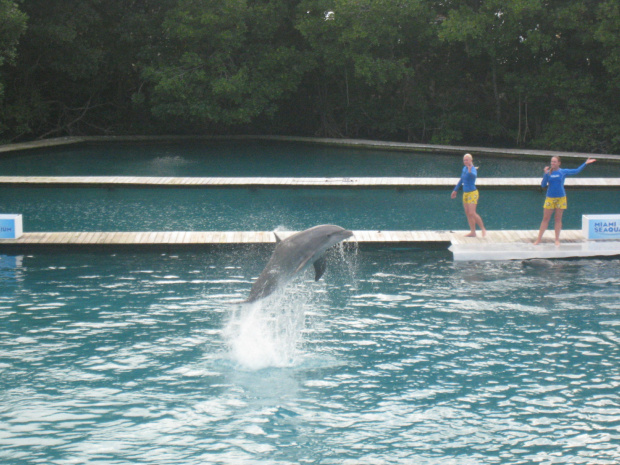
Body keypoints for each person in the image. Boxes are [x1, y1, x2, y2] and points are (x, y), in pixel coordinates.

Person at [534, 156, 596, 246]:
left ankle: (557, 239)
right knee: (545, 219)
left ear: (559, 163)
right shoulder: (548, 173)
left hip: (561, 198)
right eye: (552, 162)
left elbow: (576, 171)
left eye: (554, 162)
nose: (552, 163)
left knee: (558, 219)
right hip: (550, 198)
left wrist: (585, 163)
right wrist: (545, 174)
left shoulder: (563, 172)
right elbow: (543, 185)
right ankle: (539, 239)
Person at [451, 153, 486, 237]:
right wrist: (455, 190)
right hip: (465, 193)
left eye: (467, 160)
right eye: (464, 160)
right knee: (467, 213)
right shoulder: (464, 168)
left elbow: (474, 176)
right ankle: (473, 232)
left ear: (471, 160)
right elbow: (461, 180)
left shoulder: (473, 169)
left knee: (472, 213)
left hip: (472, 193)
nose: (465, 161)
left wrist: (470, 171)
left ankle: (483, 228)